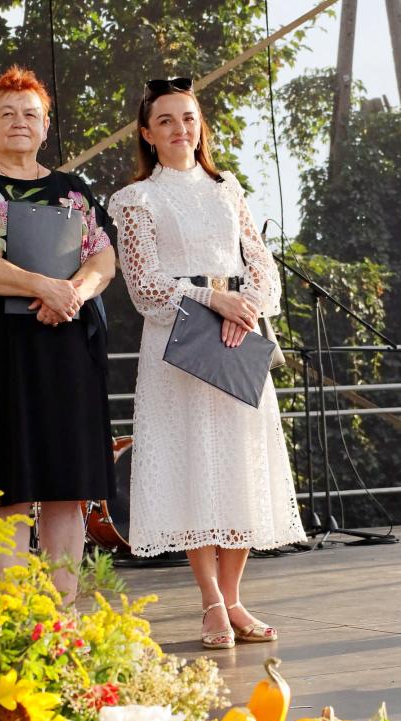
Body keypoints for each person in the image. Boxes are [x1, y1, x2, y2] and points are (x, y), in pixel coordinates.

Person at [108, 78, 306, 648]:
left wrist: (246, 307)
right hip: (178, 343)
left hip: (237, 337)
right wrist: (212, 299)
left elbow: (261, 263)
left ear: (201, 126)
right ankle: (211, 602)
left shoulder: (227, 189)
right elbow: (145, 285)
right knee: (193, 467)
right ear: (147, 133)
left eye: (189, 118)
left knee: (239, 466)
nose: (180, 129)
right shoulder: (137, 199)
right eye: (166, 120)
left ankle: (236, 598)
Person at [0, 66, 116, 602]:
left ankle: (62, 618)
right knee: (6, 488)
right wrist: (45, 286)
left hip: (67, 353)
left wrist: (73, 295)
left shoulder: (74, 190)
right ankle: (18, 617)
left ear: (45, 126)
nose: (20, 122)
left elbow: (104, 259)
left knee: (66, 487)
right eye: (7, 114)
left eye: (31, 114)